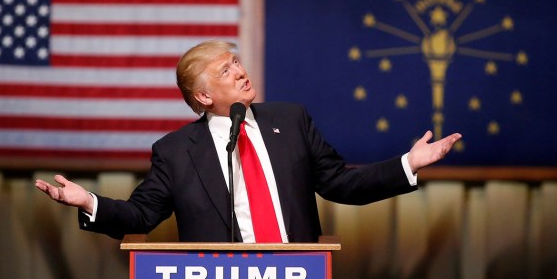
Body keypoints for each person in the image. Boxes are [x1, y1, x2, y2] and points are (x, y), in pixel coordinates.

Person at [35, 40, 461, 243]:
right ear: (203, 97)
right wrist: (89, 201)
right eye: (224, 71)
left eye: (236, 62)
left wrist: (407, 163)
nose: (239, 72)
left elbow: (338, 184)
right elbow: (142, 215)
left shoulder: (290, 120)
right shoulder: (176, 151)